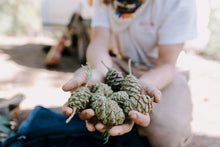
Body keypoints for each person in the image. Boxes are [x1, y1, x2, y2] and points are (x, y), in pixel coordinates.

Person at [62, 0, 197, 146]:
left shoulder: (178, 3)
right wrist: (99, 72)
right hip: (121, 63)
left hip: (161, 72)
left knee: (170, 129)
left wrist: (142, 88)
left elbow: (166, 64)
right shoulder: (105, 2)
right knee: (86, 79)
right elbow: (98, 43)